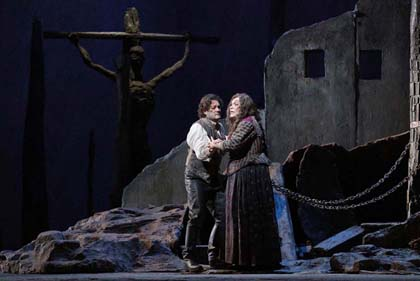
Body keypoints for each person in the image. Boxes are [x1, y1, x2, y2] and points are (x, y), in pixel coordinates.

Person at [209, 93, 281, 270]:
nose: (231, 107)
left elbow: (233, 145)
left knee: (244, 217)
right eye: (231, 104)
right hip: (247, 172)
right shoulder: (245, 124)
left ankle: (251, 260)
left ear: (245, 107)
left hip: (247, 174)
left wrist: (216, 144)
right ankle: (249, 259)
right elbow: (235, 142)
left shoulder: (247, 122)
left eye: (236, 104)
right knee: (245, 218)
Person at [183, 94, 226, 272]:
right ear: (205, 110)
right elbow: (201, 152)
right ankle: (189, 257)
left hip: (213, 177)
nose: (218, 110)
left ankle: (214, 256)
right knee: (197, 215)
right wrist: (212, 147)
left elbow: (223, 148)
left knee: (221, 216)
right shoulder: (198, 127)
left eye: (218, 107)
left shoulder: (220, 127)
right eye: (214, 107)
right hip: (196, 176)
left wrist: (220, 144)